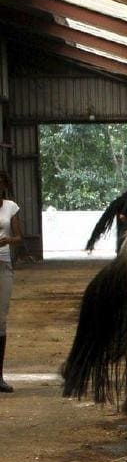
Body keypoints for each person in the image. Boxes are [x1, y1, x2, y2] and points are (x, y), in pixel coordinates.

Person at [0, 167, 22, 392]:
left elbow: (19, 236)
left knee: (1, 318)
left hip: (3, 262)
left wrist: (8, 240)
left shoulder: (11, 207)